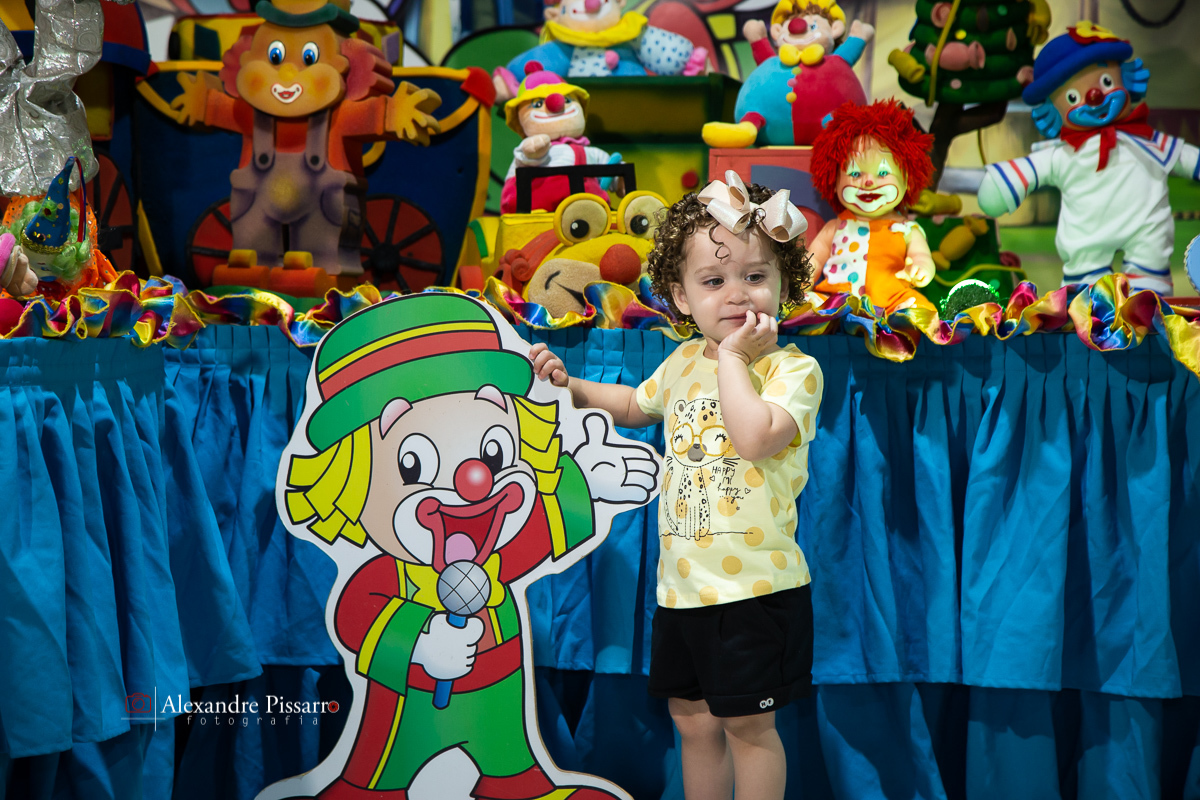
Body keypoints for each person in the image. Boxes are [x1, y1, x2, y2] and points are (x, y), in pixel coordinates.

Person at [531, 171, 823, 800]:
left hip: (755, 591)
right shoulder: (685, 360)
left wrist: (734, 359)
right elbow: (634, 406)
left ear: (784, 285)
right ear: (680, 298)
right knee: (693, 722)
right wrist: (569, 387)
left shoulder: (793, 369)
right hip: (683, 588)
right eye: (713, 281)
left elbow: (754, 437)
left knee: (749, 728)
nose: (737, 294)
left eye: (756, 276)